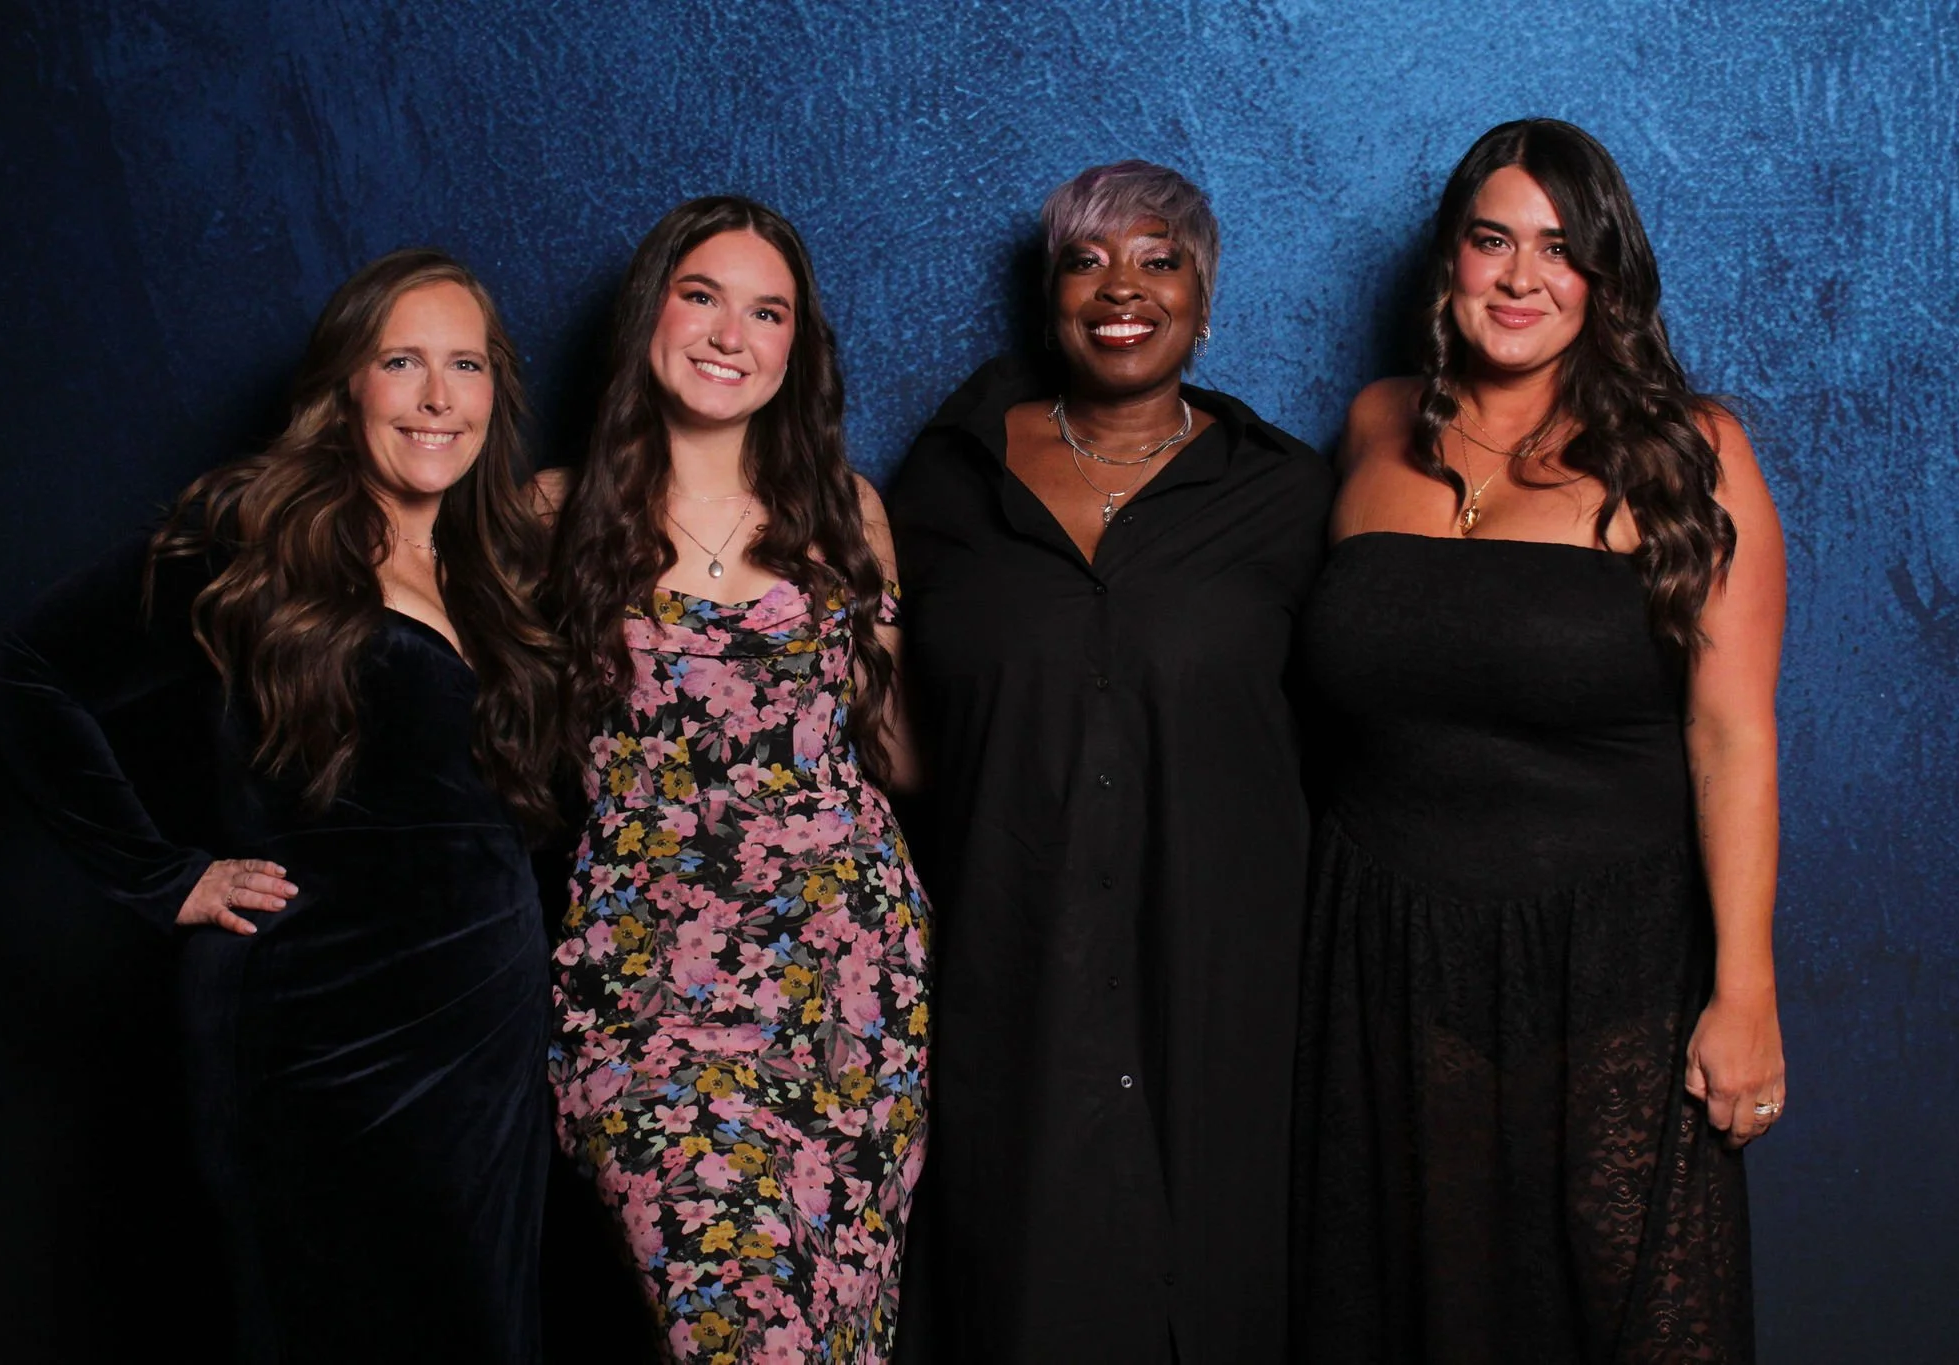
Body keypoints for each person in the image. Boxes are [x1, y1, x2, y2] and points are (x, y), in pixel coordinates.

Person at [0, 249, 560, 1364]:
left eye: (466, 364)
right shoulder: (259, 535)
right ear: (347, 384)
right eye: (402, 362)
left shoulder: (493, 566)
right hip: (322, 1032)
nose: (438, 397)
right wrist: (163, 874)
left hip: (484, 1039)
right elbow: (29, 674)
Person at [1290, 118, 1784, 1363]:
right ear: (1449, 262)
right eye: (1491, 240)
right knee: (1415, 1310)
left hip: (1610, 960)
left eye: (1559, 249)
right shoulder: (1371, 425)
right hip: (1388, 955)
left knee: (1624, 1315)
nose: (1520, 278)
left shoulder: (1690, 452)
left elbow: (1730, 736)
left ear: (1604, 275)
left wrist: (1743, 992)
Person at [885, 161, 1333, 1362]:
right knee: (1014, 1287)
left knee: (1209, 1287)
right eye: (1085, 261)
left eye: (1156, 260)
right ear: (1050, 300)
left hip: (1216, 984)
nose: (1119, 288)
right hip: (1007, 973)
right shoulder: (945, 479)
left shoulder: (1286, 495)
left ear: (1202, 297)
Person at [545, 196, 929, 1363]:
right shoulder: (547, 515)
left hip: (844, 987)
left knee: (831, 1332)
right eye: (702, 296)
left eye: (767, 313)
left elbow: (893, 750)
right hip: (643, 986)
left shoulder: (845, 513)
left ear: (795, 348)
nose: (730, 335)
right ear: (650, 313)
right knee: (733, 1322)